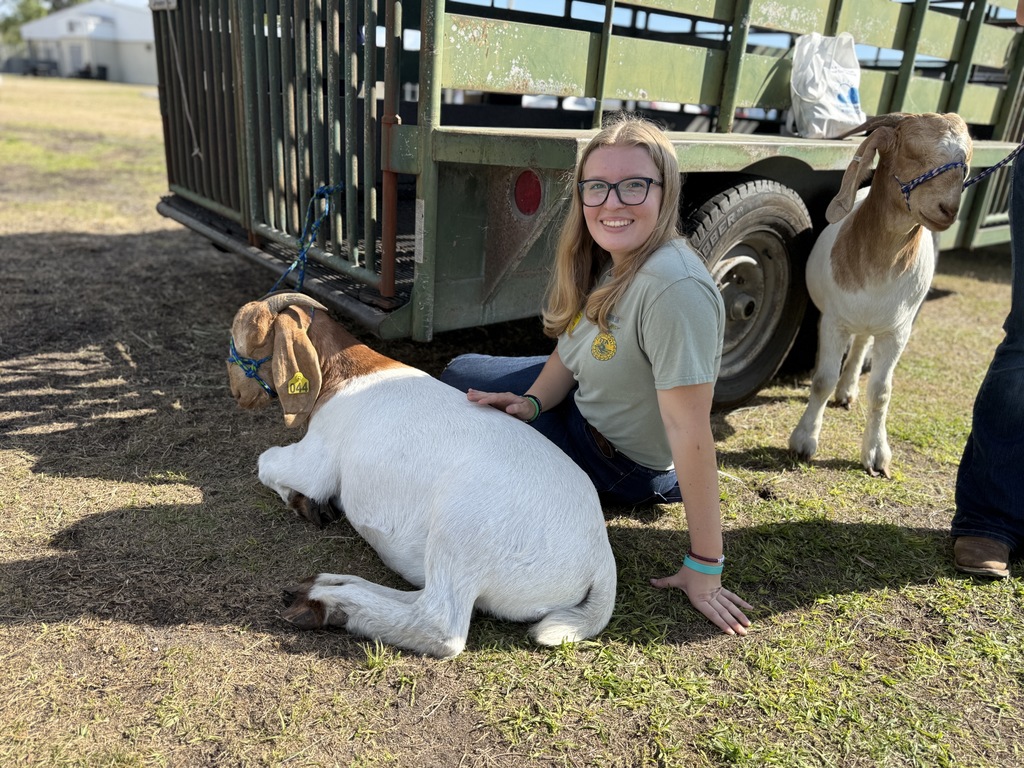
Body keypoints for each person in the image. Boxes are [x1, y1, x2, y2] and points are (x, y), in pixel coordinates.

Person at [440, 113, 752, 636]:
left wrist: (706, 566)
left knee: (458, 408)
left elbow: (691, 430)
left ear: (665, 190)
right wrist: (533, 405)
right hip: (580, 404)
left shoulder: (675, 290)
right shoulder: (619, 256)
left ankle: (654, 489)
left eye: (633, 186)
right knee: (457, 374)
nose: (612, 202)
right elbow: (572, 348)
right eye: (597, 187)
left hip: (617, 459)